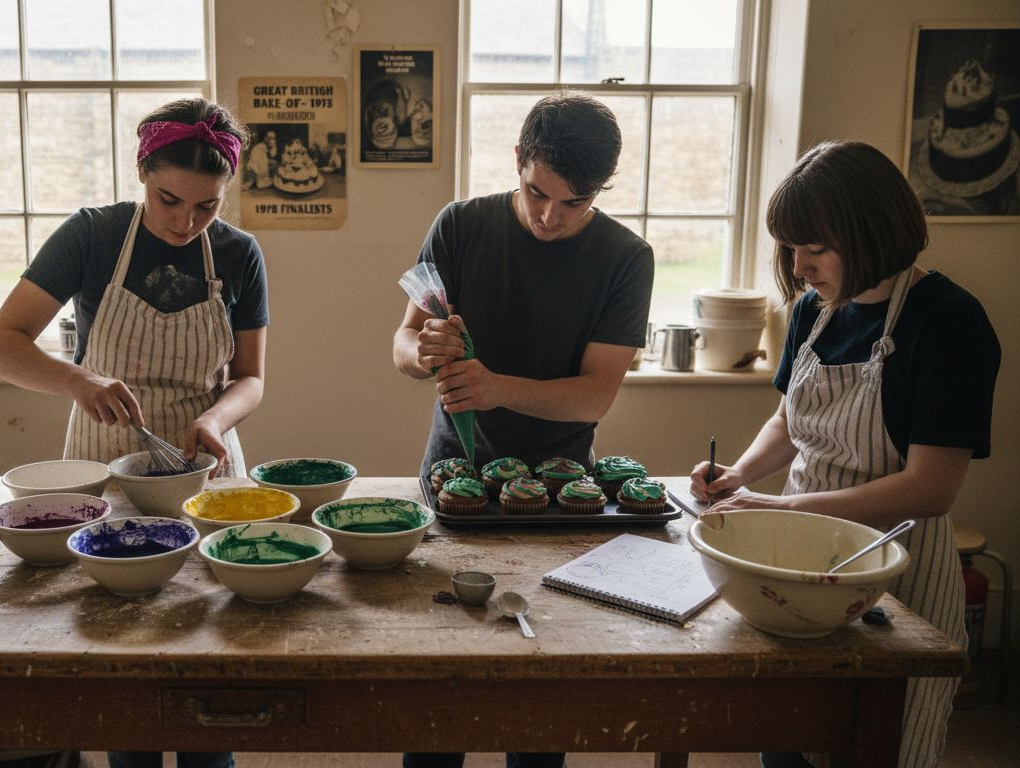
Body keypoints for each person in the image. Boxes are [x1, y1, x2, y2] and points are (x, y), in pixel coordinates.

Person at [689, 141, 1000, 768]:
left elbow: (930, 489)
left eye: (815, 248)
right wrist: (741, 475)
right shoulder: (814, 310)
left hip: (893, 567)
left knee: (875, 744)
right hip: (796, 561)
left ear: (873, 232)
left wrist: (783, 509)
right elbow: (789, 420)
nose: (799, 267)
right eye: (790, 248)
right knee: (789, 740)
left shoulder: (950, 322)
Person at [0, 97, 270, 768]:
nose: (185, 222)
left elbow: (251, 378)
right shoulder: (93, 236)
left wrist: (216, 418)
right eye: (169, 200)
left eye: (207, 207)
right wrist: (78, 380)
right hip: (105, 459)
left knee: (208, 665)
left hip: (203, 465)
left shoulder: (239, 254)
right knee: (122, 667)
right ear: (142, 171)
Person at [391, 92, 653, 768]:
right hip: (453, 479)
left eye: (574, 203)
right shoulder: (461, 225)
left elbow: (596, 396)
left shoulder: (626, 257)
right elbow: (402, 342)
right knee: (438, 689)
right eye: (538, 192)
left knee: (541, 692)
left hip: (560, 495)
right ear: (518, 159)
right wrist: (422, 351)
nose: (549, 216)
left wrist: (498, 387)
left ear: (601, 189)